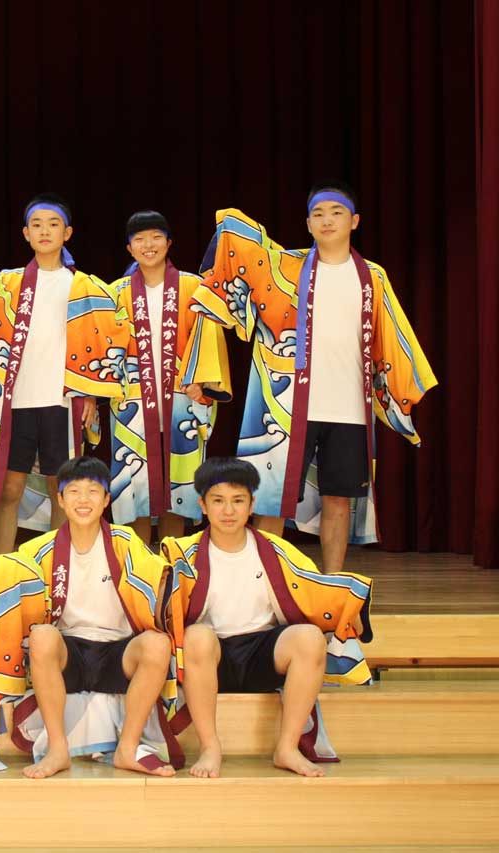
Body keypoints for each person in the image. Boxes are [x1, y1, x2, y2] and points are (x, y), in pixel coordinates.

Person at [191, 183, 437, 570]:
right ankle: (265, 582)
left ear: (354, 221)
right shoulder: (284, 268)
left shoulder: (372, 276)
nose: (327, 220)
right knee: (271, 498)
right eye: (318, 214)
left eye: (337, 213)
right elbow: (238, 239)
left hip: (349, 408)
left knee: (339, 499)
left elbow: (391, 337)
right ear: (308, 224)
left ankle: (331, 582)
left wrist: (401, 390)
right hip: (287, 406)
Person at [0, 194, 123, 553]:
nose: (45, 231)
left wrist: (91, 392)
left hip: (62, 401)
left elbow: (103, 341)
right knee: (9, 488)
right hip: (17, 402)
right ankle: (3, 562)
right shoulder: (6, 283)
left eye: (53, 225)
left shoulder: (87, 287)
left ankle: (59, 562)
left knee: (62, 487)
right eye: (37, 225)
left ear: (67, 233)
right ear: (26, 234)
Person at [161, 457, 374, 779]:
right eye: (218, 501)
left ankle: (286, 748)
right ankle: (210, 746)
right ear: (202, 505)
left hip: (263, 653)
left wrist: (347, 611)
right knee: (196, 636)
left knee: (309, 638)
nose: (228, 511)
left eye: (238, 501)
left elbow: (316, 592)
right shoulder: (181, 553)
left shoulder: (277, 549)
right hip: (208, 659)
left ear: (252, 505)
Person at [0, 457, 177, 779]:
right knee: (41, 636)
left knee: (158, 644)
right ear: (60, 499)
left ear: (106, 500)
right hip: (70, 654)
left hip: (118, 651)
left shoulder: (126, 543)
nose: (83, 499)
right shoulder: (37, 550)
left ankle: (127, 748)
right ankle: (58, 749)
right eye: (74, 491)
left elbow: (159, 591)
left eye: (93, 491)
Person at [105, 211, 230, 544]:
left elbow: (208, 339)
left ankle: (172, 562)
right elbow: (104, 347)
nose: (149, 245)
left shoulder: (193, 287)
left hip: (182, 398)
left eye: (156, 237)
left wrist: (203, 382)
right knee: (135, 485)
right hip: (132, 402)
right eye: (140, 239)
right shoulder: (116, 293)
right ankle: (140, 563)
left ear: (169, 243)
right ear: (129, 248)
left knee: (179, 484)